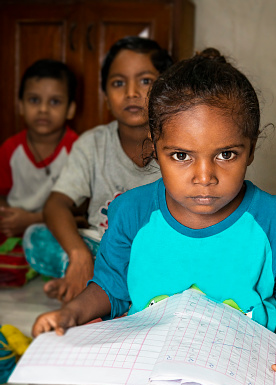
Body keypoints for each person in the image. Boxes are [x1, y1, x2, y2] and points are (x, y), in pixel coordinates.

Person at [29, 49, 276, 385]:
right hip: (143, 363)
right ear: (155, 146)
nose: (204, 177)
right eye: (181, 156)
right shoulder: (131, 211)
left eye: (226, 154)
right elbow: (109, 288)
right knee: (41, 367)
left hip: (229, 376)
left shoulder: (273, 220)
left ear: (251, 147)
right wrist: (71, 312)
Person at [23, 36, 173, 303]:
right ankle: (100, 280)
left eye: (145, 81)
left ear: (166, 89)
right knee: (36, 239)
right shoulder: (93, 143)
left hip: (156, 251)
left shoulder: (179, 143)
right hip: (100, 249)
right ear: (105, 96)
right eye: (118, 83)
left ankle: (98, 288)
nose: (131, 92)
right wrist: (79, 255)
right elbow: (55, 205)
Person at [0, 59, 78, 287]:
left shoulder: (77, 148)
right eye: (34, 100)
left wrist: (31, 220)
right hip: (12, 228)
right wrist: (7, 216)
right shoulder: (10, 149)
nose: (43, 109)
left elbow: (80, 209)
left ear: (70, 108)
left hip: (56, 228)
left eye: (54, 102)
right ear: (21, 105)